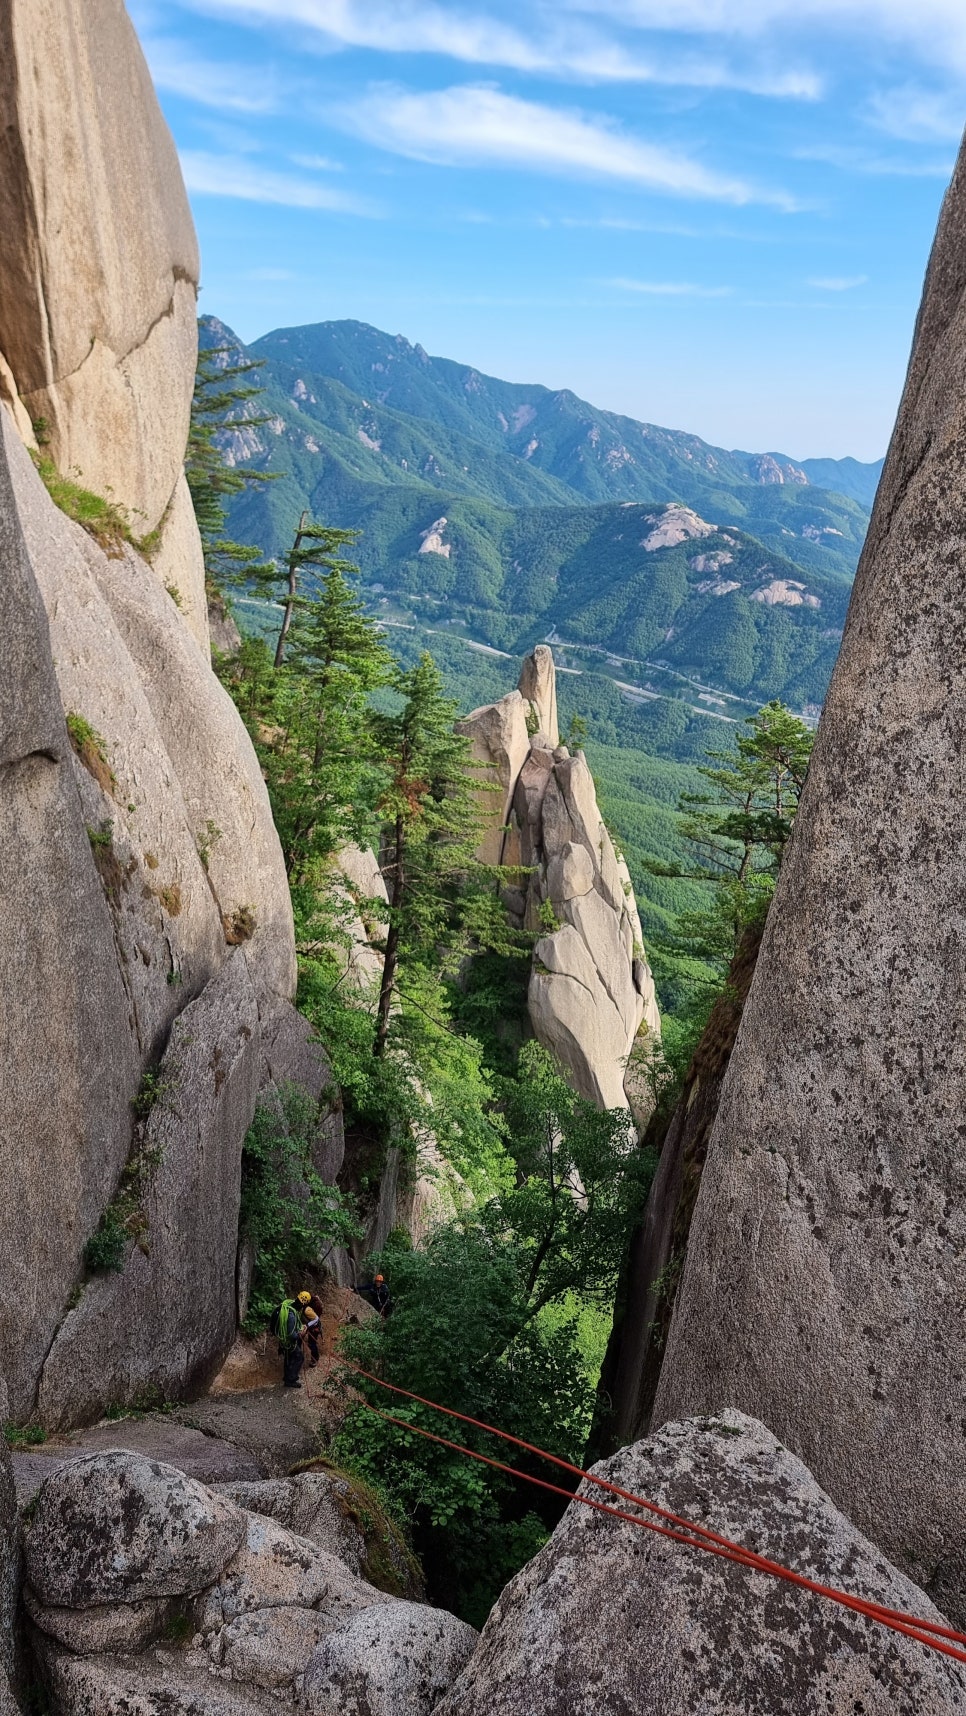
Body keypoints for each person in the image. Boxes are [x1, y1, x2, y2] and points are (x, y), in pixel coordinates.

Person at [275, 1296, 304, 1389]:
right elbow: (291, 1334)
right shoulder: (291, 1315)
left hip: (283, 1341)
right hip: (288, 1342)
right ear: (300, 1305)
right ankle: (291, 1380)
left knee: (288, 1359)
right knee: (299, 1357)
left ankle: (287, 1378)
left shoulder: (288, 1305)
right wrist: (300, 1334)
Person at [299, 1290, 321, 1366]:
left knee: (312, 1343)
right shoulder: (305, 1307)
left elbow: (316, 1319)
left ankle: (315, 1359)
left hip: (314, 1327)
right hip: (309, 1325)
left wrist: (307, 1326)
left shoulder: (307, 1310)